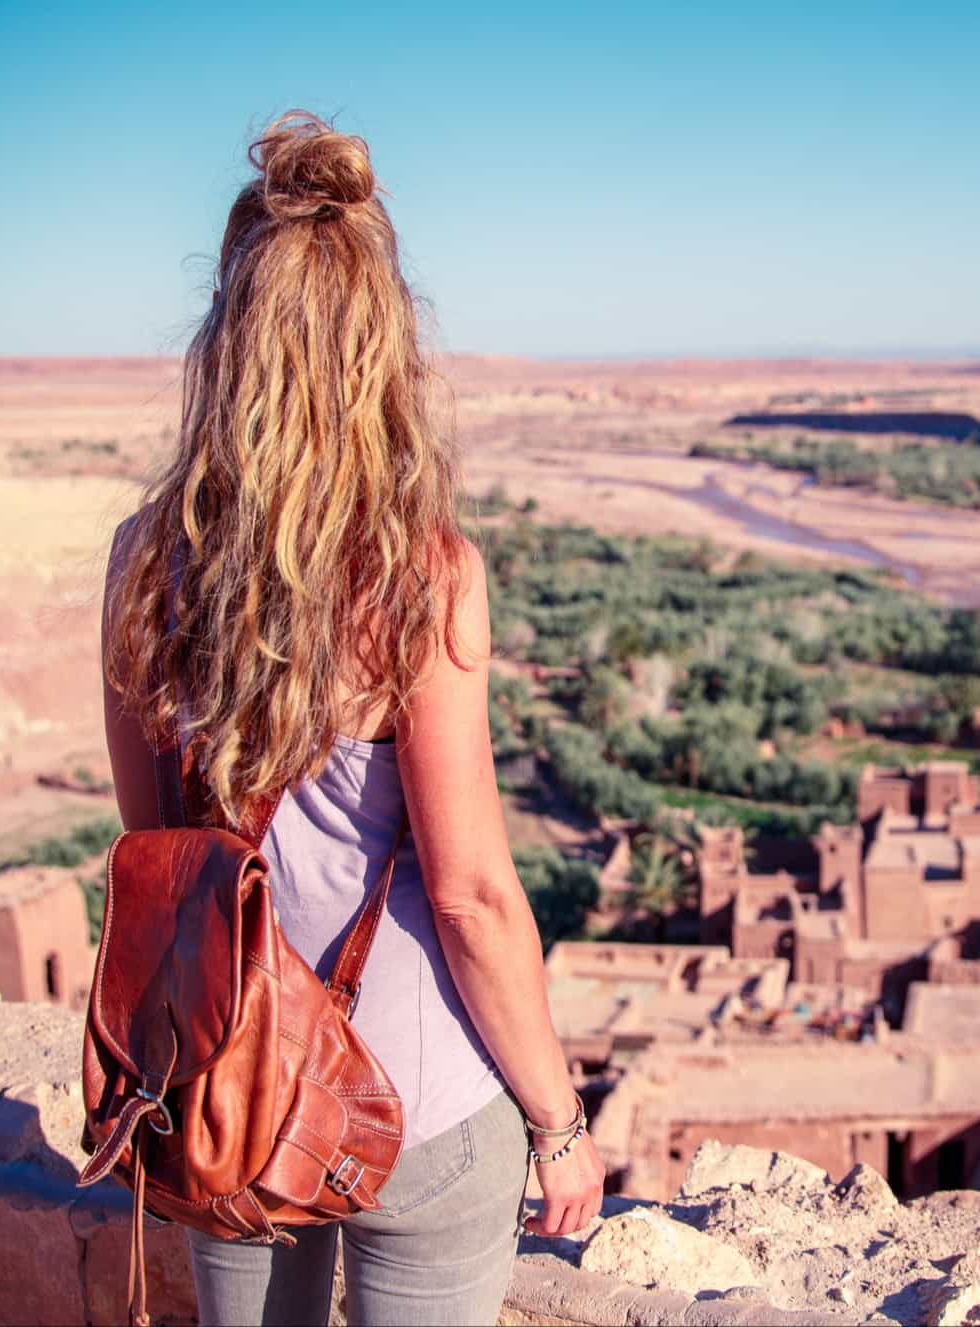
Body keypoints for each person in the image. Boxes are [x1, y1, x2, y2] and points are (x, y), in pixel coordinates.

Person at [99, 109, 604, 1326]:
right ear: (384, 345)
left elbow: (159, 852)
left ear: (226, 338)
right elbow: (474, 899)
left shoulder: (141, 562)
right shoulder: (417, 577)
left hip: (224, 1085)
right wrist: (559, 1120)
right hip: (417, 1105)